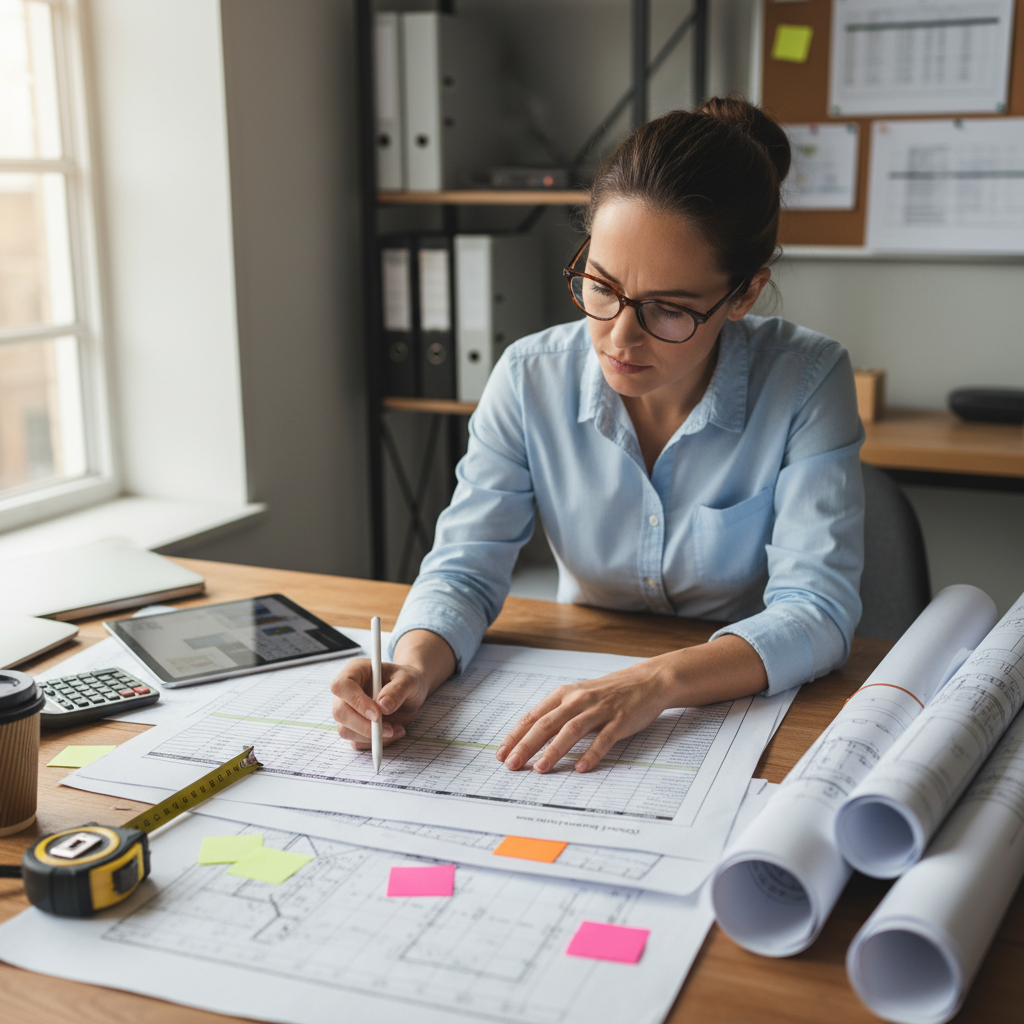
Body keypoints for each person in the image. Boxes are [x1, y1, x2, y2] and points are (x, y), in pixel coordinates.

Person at [332, 97, 865, 775]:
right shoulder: (529, 377)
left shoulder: (808, 380)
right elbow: (464, 570)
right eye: (601, 286)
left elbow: (817, 610)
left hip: (732, 698)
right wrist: (411, 665)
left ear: (743, 295)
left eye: (667, 309)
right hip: (576, 671)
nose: (619, 337)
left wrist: (655, 681)